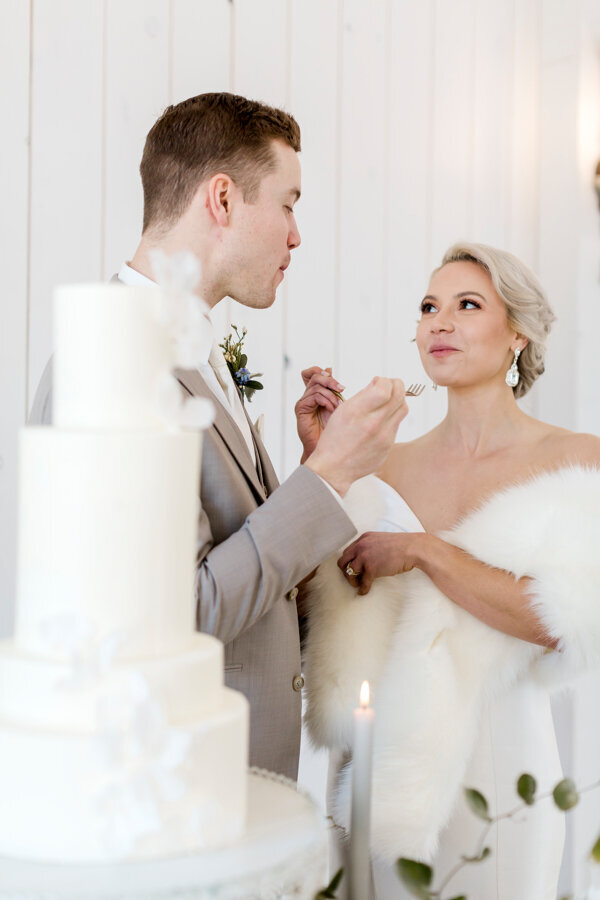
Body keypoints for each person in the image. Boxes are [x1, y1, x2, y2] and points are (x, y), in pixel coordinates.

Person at [28, 92, 408, 780]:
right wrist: (330, 481)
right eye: (289, 204)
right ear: (223, 200)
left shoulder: (197, 354)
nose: (297, 235)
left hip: (242, 787)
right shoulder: (110, 359)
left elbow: (245, 578)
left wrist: (311, 472)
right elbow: (177, 614)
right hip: (172, 794)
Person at [302, 242, 600, 899]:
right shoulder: (384, 463)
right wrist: (324, 467)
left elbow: (558, 620)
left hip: (500, 759)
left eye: (467, 305)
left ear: (517, 333)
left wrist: (425, 550)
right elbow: (325, 600)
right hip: (380, 767)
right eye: (428, 307)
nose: (439, 322)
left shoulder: (578, 459)